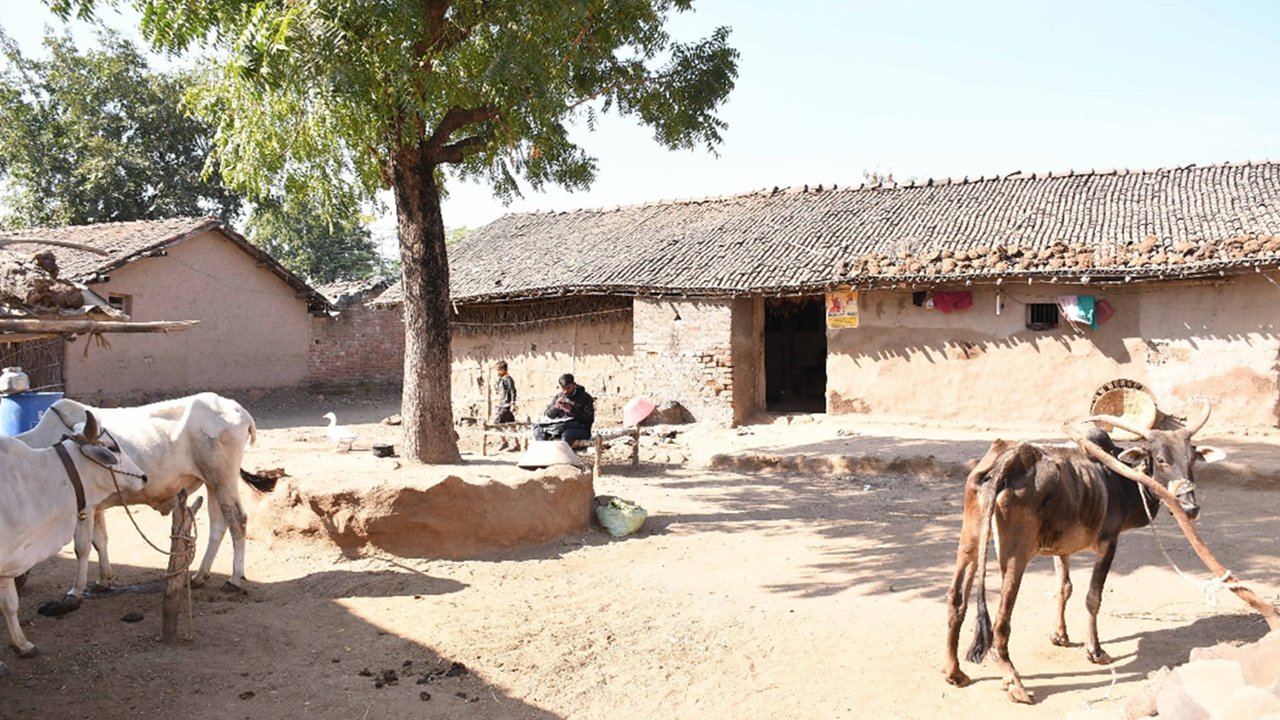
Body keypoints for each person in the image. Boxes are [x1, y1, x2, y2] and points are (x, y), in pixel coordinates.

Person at [533, 373, 595, 443]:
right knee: (538, 429)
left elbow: (589, 419)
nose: (565, 391)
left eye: (568, 388)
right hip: (560, 426)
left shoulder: (585, 398)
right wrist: (555, 407)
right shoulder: (559, 396)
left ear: (574, 385)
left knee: (566, 435)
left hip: (580, 428)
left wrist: (571, 410)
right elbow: (548, 415)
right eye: (563, 389)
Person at [492, 361, 518, 450]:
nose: (497, 372)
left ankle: (504, 441)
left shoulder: (508, 379)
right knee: (512, 424)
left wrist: (513, 403)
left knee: (496, 423)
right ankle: (517, 443)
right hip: (503, 404)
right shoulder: (501, 379)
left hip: (506, 405)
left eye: (498, 370)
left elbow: (513, 391)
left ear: (503, 370)